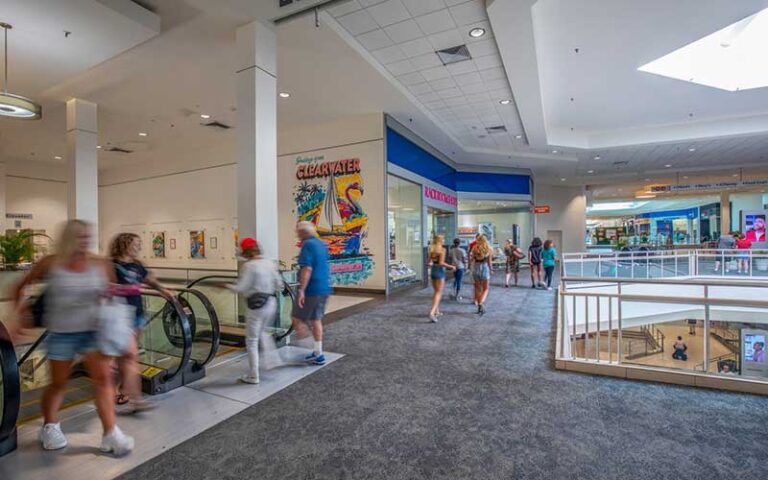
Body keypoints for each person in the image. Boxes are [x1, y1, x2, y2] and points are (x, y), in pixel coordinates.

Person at [12, 220, 134, 455]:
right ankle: (50, 425)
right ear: (69, 237)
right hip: (61, 334)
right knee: (59, 384)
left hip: (93, 333)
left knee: (103, 381)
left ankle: (111, 433)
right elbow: (20, 287)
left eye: (88, 236)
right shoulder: (51, 263)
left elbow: (113, 296)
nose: (85, 240)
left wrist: (110, 295)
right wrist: (20, 314)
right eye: (80, 236)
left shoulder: (100, 264)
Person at [109, 232, 173, 412]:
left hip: (136, 314)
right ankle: (119, 392)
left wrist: (163, 290)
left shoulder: (137, 265)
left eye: (139, 244)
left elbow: (150, 280)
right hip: (118, 317)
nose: (138, 248)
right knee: (123, 356)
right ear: (124, 245)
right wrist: (124, 289)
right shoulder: (111, 266)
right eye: (135, 244)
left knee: (128, 356)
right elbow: (104, 288)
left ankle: (126, 390)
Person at [223, 237, 284, 383]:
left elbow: (240, 288)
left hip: (256, 307)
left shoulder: (249, 266)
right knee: (263, 332)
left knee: (251, 340)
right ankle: (274, 361)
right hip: (271, 302)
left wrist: (226, 286)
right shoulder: (269, 263)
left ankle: (253, 375)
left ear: (245, 251)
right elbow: (279, 284)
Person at [291, 221, 332, 365]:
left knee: (296, 319)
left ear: (303, 233)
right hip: (324, 287)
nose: (297, 234)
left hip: (312, 289)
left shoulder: (307, 245)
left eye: (298, 232)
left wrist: (301, 290)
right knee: (316, 320)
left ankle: (309, 347)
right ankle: (318, 352)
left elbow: (307, 269)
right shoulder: (322, 244)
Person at [428, 235, 456, 323]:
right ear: (441, 241)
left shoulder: (431, 250)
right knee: (438, 293)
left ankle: (437, 311)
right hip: (440, 271)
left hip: (433, 271)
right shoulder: (442, 250)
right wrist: (451, 266)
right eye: (443, 239)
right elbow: (441, 263)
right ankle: (432, 313)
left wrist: (431, 263)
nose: (444, 240)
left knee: (436, 291)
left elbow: (430, 262)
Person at [469, 234, 493, 315]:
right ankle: (480, 303)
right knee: (486, 289)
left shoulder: (474, 248)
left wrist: (470, 267)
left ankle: (479, 304)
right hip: (485, 268)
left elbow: (471, 260)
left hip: (476, 268)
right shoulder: (489, 249)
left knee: (478, 289)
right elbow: (489, 262)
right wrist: (491, 269)